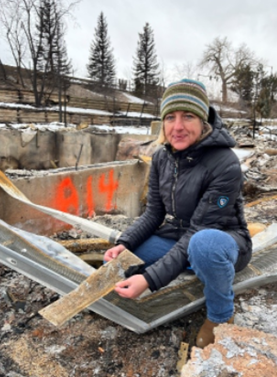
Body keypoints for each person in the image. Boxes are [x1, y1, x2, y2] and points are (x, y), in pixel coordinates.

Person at [104, 78, 252, 348]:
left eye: (188, 116)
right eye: (170, 117)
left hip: (222, 240)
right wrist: (124, 243)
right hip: (180, 235)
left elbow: (200, 231)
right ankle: (193, 265)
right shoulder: (162, 157)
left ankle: (221, 315)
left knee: (203, 246)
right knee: (123, 260)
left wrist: (150, 279)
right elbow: (153, 214)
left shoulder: (225, 163)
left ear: (203, 120)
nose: (178, 126)